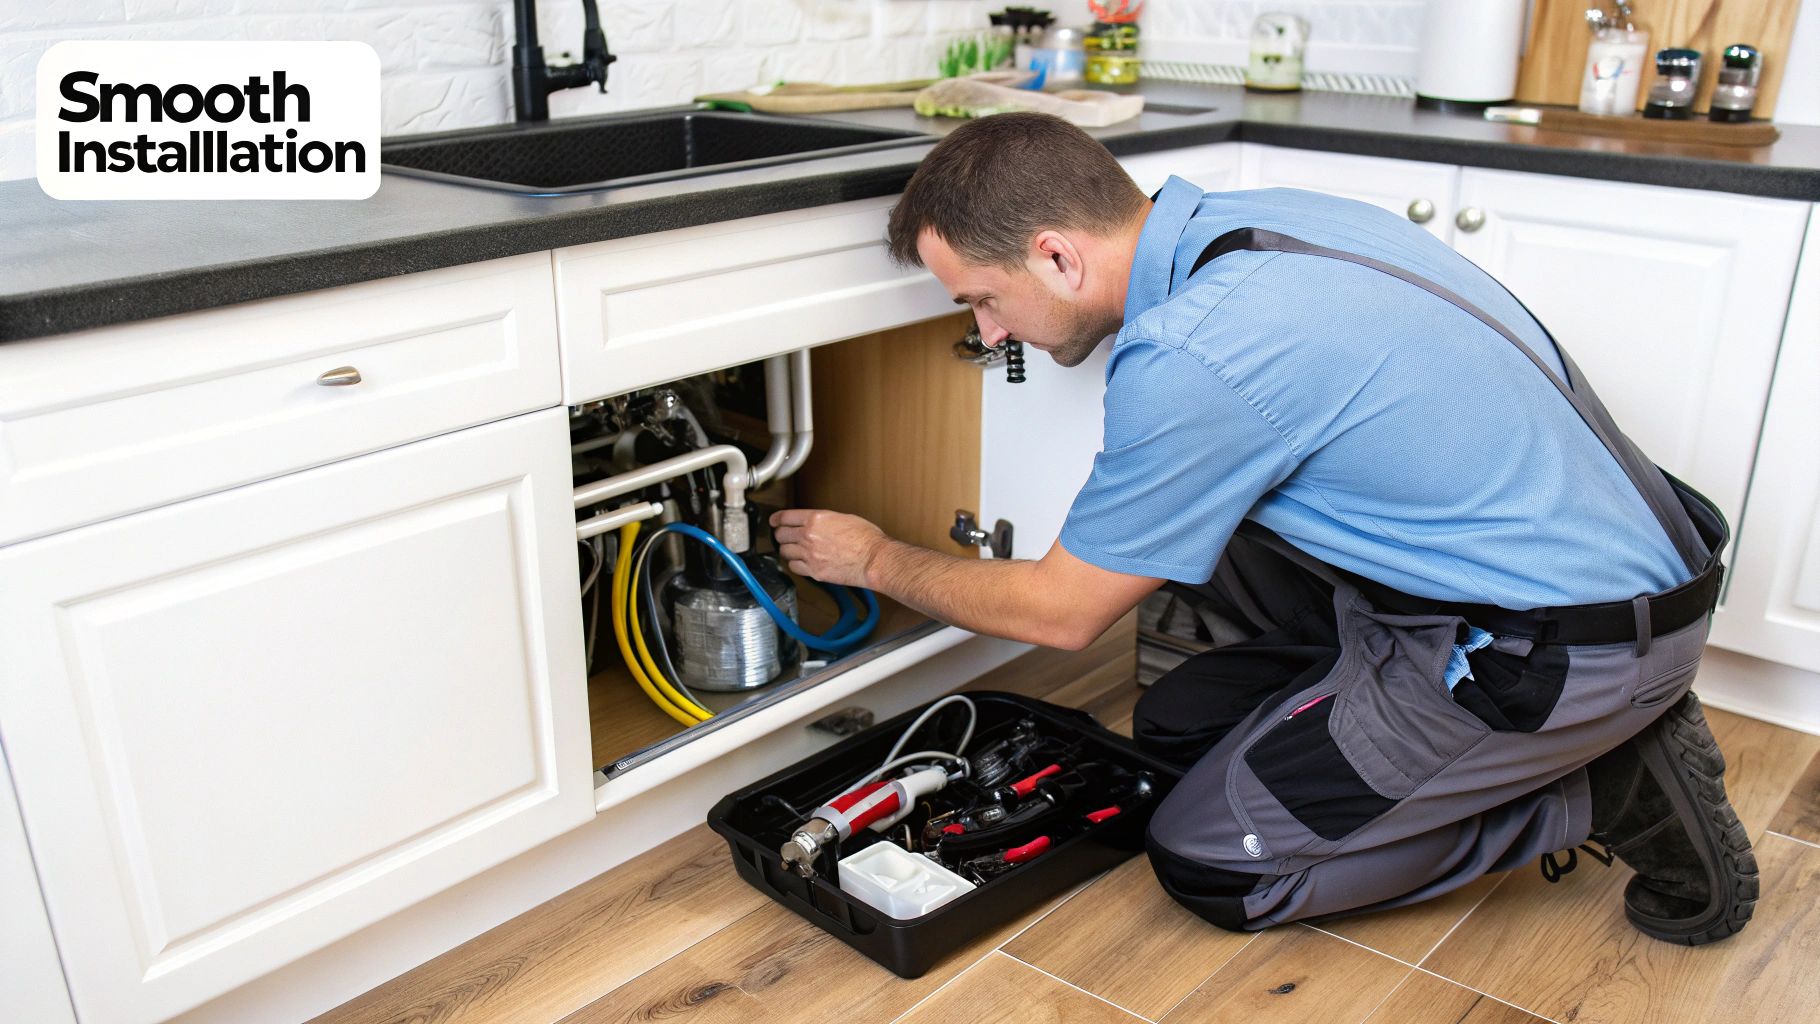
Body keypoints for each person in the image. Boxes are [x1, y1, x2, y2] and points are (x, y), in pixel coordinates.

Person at [769, 112, 1755, 943]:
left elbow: (1060, 614)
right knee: (1172, 728)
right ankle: (1478, 736)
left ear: (1056, 255)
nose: (986, 337)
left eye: (981, 301)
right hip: (1603, 565)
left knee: (1213, 863)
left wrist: (875, 557)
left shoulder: (1195, 352)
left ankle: (1600, 787)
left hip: (1547, 644)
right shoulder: (1250, 226)